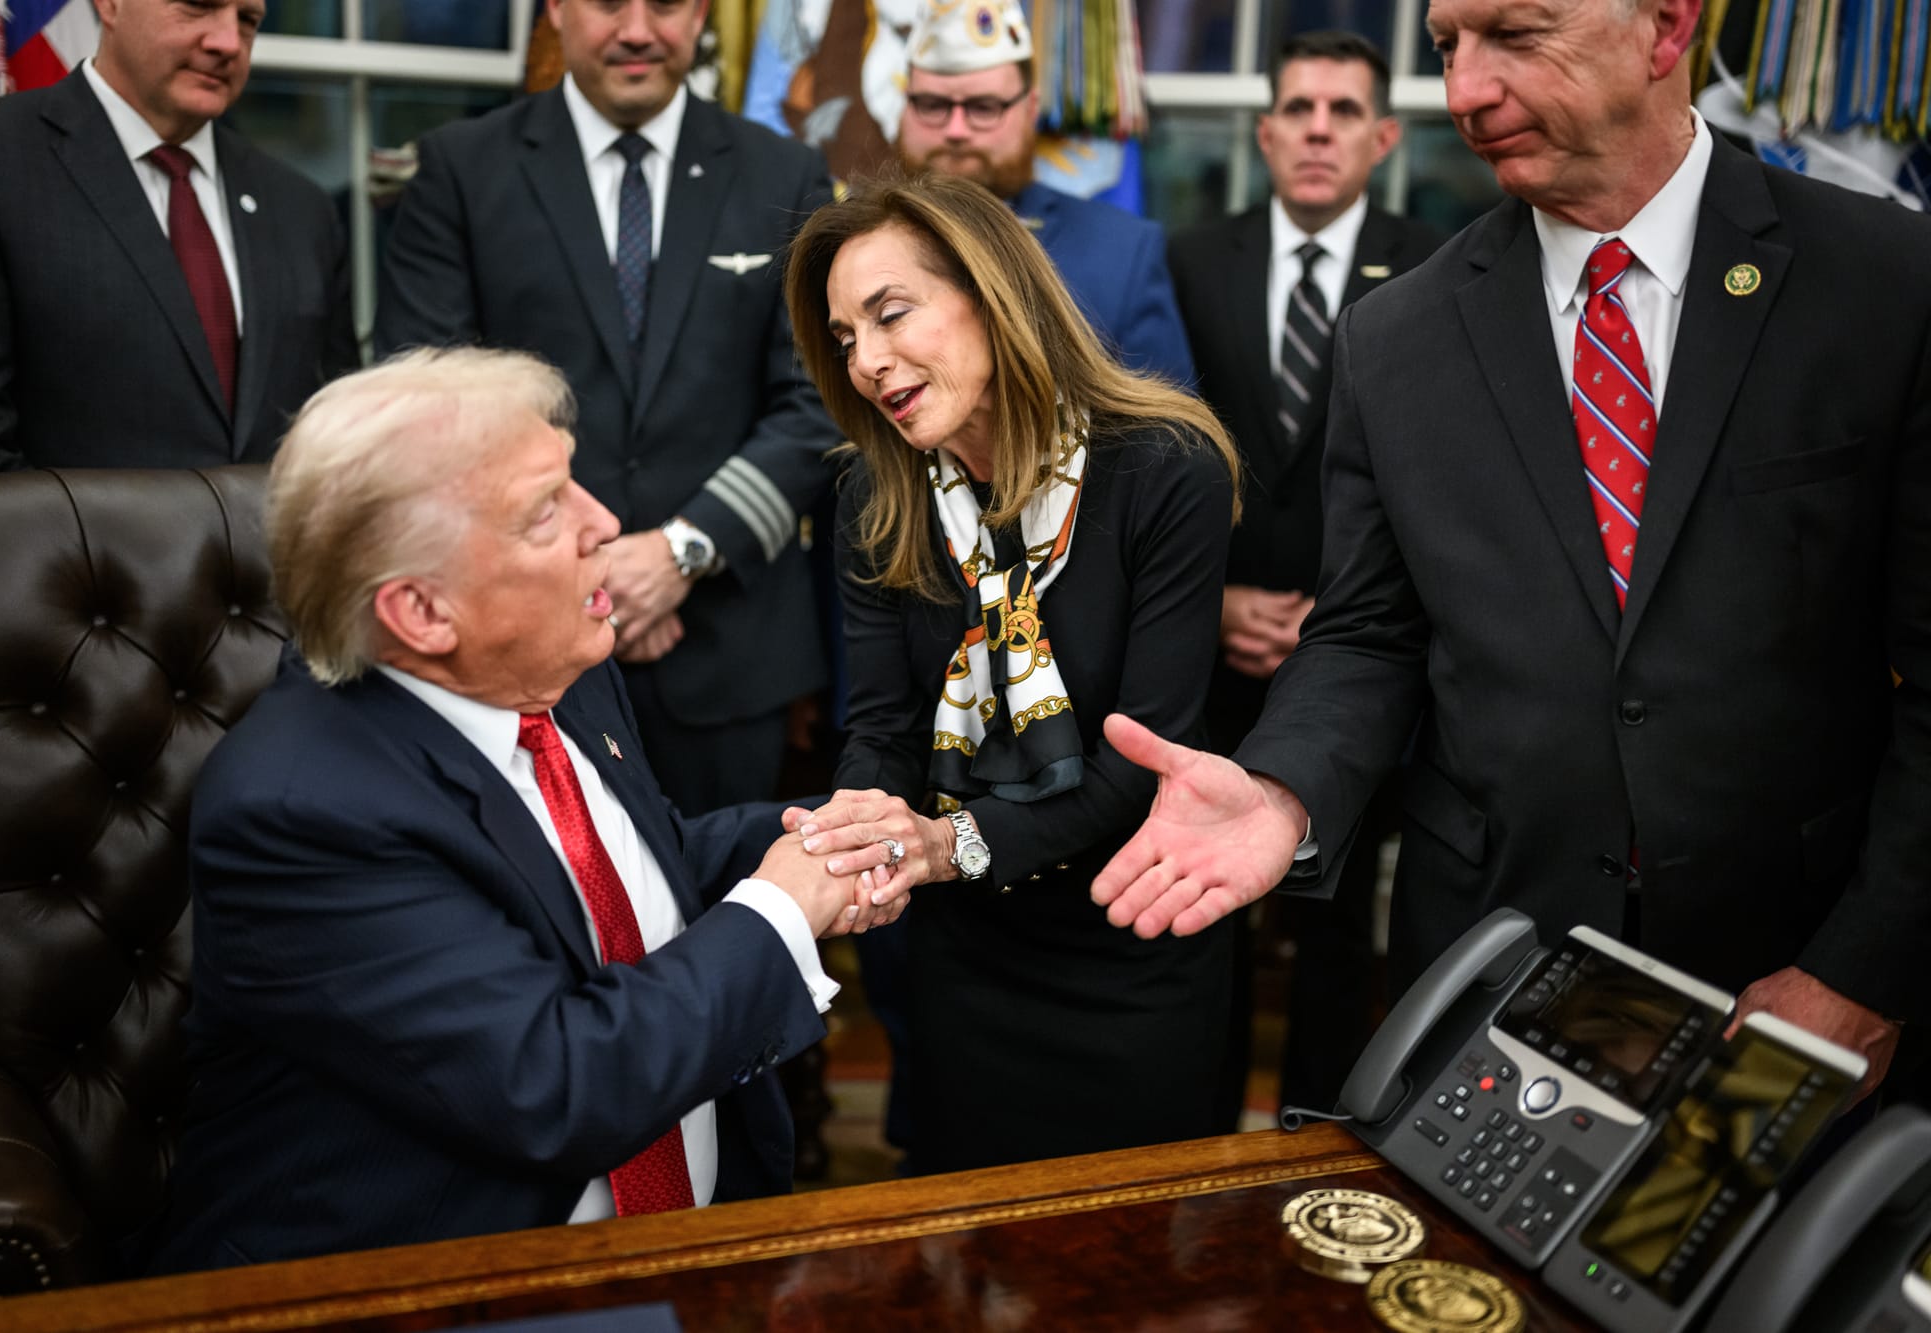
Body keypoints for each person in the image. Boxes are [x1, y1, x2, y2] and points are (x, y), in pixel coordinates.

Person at [1094, 0, 1931, 1106]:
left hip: (1791, 981)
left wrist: (1862, 970)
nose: (1463, 92)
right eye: (1446, 46)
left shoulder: (1885, 282)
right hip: (1495, 968)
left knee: (1735, 1278)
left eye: (1516, 37)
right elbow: (1367, 633)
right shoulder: (1394, 339)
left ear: (1665, 29)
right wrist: (1283, 786)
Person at [150, 348, 880, 1272]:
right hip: (431, 1287)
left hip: (690, 1252)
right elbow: (561, 1083)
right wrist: (780, 909)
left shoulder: (557, 664)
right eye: (546, 511)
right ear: (420, 611)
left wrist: (828, 837)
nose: (606, 523)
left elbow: (610, 883)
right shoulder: (302, 810)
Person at [780, 171, 1244, 1172]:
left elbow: (1141, 764)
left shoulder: (1166, 467)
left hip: (1135, 940)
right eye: (844, 337)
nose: (865, 360)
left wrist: (941, 846)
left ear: (991, 291)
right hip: (968, 959)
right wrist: (859, 827)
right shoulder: (875, 490)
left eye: (888, 314)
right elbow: (883, 728)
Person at [376, 0, 838, 816]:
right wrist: (594, 575)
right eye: (606, 2)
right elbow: (426, 405)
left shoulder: (784, 175)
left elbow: (819, 402)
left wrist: (680, 554)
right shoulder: (460, 168)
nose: (636, 29)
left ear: (700, 12)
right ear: (555, 9)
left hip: (729, 658)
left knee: (725, 924)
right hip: (517, 651)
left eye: (663, 3)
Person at [1167, 30, 1447, 1122]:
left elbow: (1432, 467)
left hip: (1364, 652)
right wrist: (1213, 602)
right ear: (1264, 129)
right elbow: (1158, 456)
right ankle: (1191, 1137)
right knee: (1208, 907)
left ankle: (1312, 1136)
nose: (1318, 129)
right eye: (1298, 108)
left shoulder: (1438, 263)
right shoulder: (1188, 259)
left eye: (1343, 111)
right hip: (1209, 653)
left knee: (1335, 923)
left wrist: (1346, 618)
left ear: (1380, 137)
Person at [0, 0, 356, 475]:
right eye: (198, 7)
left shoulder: (303, 207)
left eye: (248, 20)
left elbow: (340, 441)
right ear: (110, 5)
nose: (228, 43)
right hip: (70, 549)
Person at [895, 0, 1194, 385]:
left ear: (1030, 109)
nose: (955, 129)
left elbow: (1170, 435)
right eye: (933, 105)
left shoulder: (1121, 253)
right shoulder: (847, 244)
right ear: (905, 104)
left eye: (983, 107)